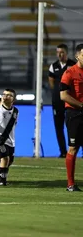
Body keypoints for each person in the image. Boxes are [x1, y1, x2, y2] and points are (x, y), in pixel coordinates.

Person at [60, 43, 83, 192]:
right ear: (77, 56)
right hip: (74, 114)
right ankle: (70, 184)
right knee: (73, 147)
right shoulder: (69, 73)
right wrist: (81, 105)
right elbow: (63, 95)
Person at [48, 44, 75, 158]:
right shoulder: (53, 66)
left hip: (70, 100)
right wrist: (58, 93)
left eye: (62, 52)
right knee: (59, 127)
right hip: (57, 101)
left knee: (73, 126)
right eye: (58, 52)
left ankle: (75, 150)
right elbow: (51, 82)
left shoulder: (73, 65)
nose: (60, 54)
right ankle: (63, 151)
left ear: (66, 53)